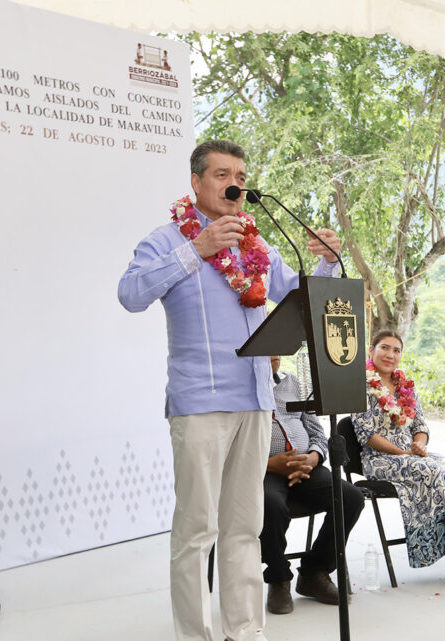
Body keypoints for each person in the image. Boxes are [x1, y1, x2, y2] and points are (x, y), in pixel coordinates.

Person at [117, 140, 341, 641]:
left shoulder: (257, 244)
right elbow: (130, 295)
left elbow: (295, 292)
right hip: (200, 403)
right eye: (221, 174)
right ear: (196, 182)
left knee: (245, 529)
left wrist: (326, 263)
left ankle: (246, 632)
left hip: (257, 400)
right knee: (198, 530)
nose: (233, 182)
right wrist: (196, 251)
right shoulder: (167, 239)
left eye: (238, 173)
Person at [350, 331, 445, 589]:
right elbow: (366, 434)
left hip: (412, 455)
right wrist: (403, 453)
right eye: (384, 348)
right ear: (371, 351)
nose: (390, 354)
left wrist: (420, 444)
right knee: (432, 470)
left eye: (396, 350)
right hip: (380, 458)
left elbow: (420, 425)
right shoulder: (360, 386)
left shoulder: (405, 386)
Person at [261, 356, 363, 615]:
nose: (275, 354)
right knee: (270, 504)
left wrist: (312, 457)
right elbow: (234, 444)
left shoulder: (293, 382)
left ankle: (314, 573)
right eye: (268, 349)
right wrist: (271, 463)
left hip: (307, 468)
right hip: (264, 471)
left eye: (278, 350)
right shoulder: (242, 388)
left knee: (350, 497)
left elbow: (317, 433)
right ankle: (278, 578)